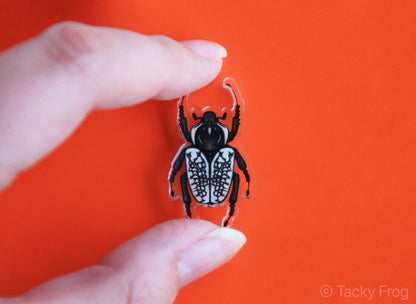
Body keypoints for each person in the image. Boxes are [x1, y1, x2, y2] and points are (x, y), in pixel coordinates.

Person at [0, 22, 246, 304]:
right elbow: (220, 161)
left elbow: (180, 168)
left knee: (192, 177)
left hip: (205, 183)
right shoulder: (215, 149)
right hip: (214, 182)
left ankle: (199, 209)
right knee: (224, 177)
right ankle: (206, 210)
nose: (209, 123)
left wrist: (195, 102)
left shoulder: (192, 150)